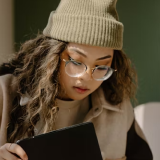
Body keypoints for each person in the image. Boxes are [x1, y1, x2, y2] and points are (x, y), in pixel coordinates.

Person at [0, 0, 153, 160]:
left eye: (102, 66)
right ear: (50, 55)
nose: (86, 77)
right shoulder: (4, 95)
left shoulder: (119, 107)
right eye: (76, 62)